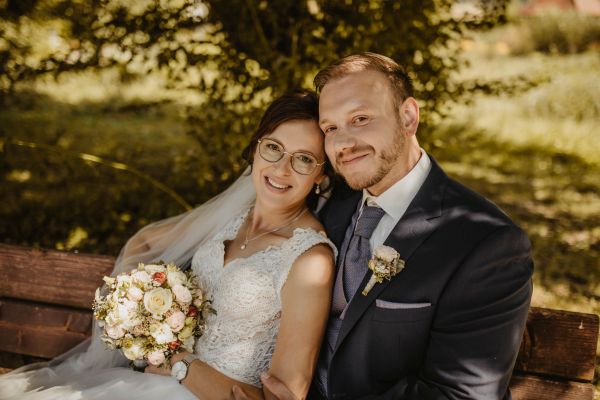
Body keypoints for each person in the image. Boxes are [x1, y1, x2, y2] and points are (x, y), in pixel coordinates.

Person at [0, 90, 338, 400]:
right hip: (154, 383)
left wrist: (178, 361)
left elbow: (283, 396)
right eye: (274, 148)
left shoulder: (309, 259)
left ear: (321, 174)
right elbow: (145, 241)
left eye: (304, 159)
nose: (281, 168)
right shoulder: (234, 217)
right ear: (255, 147)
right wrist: (138, 313)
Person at [233, 53, 534, 400]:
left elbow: (459, 395)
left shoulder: (486, 245)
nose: (343, 144)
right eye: (331, 128)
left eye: (360, 119)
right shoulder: (332, 200)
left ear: (408, 117)